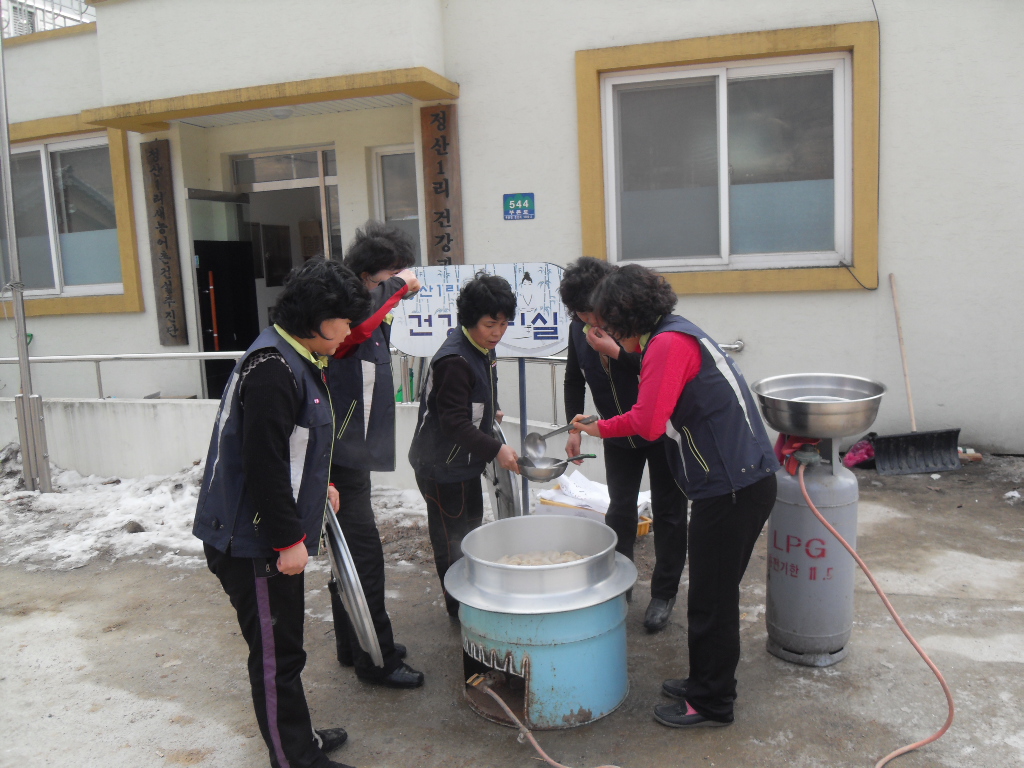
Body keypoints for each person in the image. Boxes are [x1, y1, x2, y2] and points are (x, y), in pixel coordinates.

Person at [571, 264, 780, 730]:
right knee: (711, 594)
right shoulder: (675, 333)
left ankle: (712, 701)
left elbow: (647, 423)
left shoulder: (666, 343)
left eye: (608, 323)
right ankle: (704, 680)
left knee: (712, 600)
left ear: (625, 317)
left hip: (732, 489)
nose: (605, 333)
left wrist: (597, 427)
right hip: (737, 482)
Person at [193, 259, 370, 768]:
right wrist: (288, 540)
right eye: (344, 321)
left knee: (284, 647)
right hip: (254, 542)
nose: (349, 332)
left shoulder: (294, 354)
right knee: (277, 656)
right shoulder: (274, 368)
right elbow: (263, 465)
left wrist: (321, 484)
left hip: (265, 533)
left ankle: (298, 739)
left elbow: (295, 443)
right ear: (317, 318)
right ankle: (294, 758)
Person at [559, 257, 688, 632]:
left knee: (669, 511)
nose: (589, 321)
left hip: (660, 429)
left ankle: (664, 593)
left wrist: (616, 352)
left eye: (593, 312)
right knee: (619, 509)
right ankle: (620, 584)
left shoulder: (632, 325)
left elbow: (655, 366)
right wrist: (574, 428)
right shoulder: (578, 329)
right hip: (615, 431)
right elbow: (573, 378)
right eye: (581, 314)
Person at [325, 221, 424, 688]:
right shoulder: (345, 322)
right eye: (389, 276)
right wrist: (398, 286)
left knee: (346, 551)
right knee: (361, 555)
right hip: (339, 458)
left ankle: (353, 645)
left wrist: (393, 292)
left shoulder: (373, 317)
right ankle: (376, 659)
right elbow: (359, 326)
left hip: (352, 454)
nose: (399, 286)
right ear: (365, 279)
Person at [408, 272, 520, 617]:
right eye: (490, 324)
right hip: (441, 465)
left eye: (504, 324)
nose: (497, 332)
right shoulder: (455, 360)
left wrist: (491, 410)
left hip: (465, 461)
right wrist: (496, 449)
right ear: (470, 320)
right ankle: (458, 609)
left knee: (470, 533)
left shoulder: (481, 347)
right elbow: (453, 422)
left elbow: (478, 391)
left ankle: (470, 598)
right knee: (451, 540)